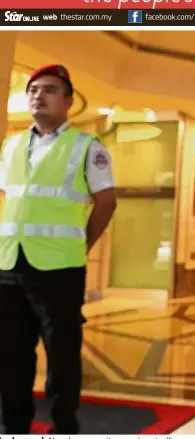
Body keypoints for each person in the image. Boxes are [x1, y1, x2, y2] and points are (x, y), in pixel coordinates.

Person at [0, 65, 117, 434]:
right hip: (8, 266)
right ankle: (14, 426)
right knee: (11, 356)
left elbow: (107, 202)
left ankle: (64, 426)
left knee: (62, 357)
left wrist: (82, 247)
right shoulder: (12, 144)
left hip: (60, 269)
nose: (38, 95)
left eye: (49, 89)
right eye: (32, 89)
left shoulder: (87, 147)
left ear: (68, 101)